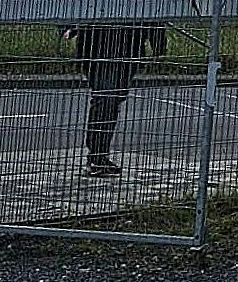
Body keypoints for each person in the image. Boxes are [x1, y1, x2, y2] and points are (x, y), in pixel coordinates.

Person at [67, 21, 166, 177]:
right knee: (106, 99)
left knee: (111, 101)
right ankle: (97, 156)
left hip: (125, 48)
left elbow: (153, 13)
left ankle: (98, 155)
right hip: (99, 48)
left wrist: (158, 43)